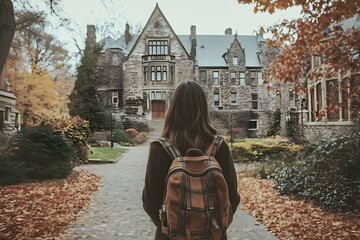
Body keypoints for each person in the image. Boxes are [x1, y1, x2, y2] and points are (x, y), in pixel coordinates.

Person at [142, 81, 240, 240]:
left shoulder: (159, 149)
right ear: (203, 108)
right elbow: (233, 199)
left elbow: (150, 202)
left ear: (173, 109)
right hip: (213, 235)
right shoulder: (220, 147)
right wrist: (213, 225)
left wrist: (171, 225)